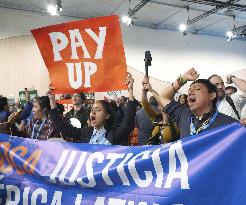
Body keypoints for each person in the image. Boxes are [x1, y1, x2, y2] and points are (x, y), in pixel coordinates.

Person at [48, 73, 136, 145]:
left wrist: (130, 90)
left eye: (98, 110)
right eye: (92, 110)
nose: (93, 112)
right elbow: (62, 126)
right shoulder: (85, 133)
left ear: (107, 115)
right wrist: (52, 100)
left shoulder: (114, 134)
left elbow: (129, 120)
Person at [156, 68, 237, 139]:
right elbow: (163, 97)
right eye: (189, 90)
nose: (190, 92)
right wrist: (183, 79)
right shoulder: (184, 114)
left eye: (197, 89)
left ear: (211, 95)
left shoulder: (229, 124)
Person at [141, 76, 179, 144]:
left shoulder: (176, 121)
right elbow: (144, 103)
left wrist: (151, 90)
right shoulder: (156, 117)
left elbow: (161, 101)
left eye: (166, 102)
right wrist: (144, 90)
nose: (162, 104)